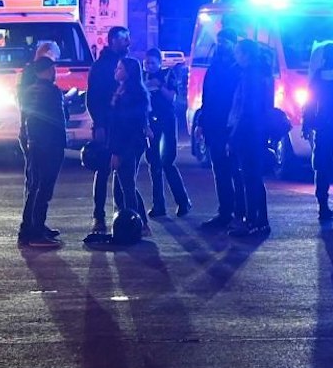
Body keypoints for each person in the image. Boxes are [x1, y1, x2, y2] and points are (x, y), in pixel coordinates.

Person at [89, 55, 150, 245]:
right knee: (123, 185)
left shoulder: (132, 95)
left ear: (128, 73)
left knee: (127, 186)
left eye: (120, 69)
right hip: (122, 144)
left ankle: (135, 225)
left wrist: (116, 152)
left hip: (126, 146)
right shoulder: (122, 91)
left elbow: (126, 127)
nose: (116, 71)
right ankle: (132, 223)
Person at [15, 56, 66, 248]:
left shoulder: (28, 91)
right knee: (42, 188)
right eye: (53, 69)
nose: (55, 73)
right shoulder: (49, 92)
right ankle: (35, 233)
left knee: (34, 186)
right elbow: (49, 120)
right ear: (45, 71)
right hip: (47, 145)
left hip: (37, 144)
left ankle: (31, 227)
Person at [86, 25, 131, 235]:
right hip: (107, 125)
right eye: (124, 39)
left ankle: (123, 216)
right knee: (103, 171)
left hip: (122, 128)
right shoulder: (100, 66)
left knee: (123, 171)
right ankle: (98, 217)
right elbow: (93, 98)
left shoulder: (127, 65)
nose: (128, 43)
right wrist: (100, 125)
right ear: (113, 40)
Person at [229, 38, 275, 238]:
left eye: (238, 53)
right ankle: (260, 221)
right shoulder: (261, 72)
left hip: (248, 132)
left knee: (249, 177)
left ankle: (253, 221)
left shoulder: (250, 75)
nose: (235, 57)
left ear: (246, 54)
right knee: (254, 177)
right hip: (257, 131)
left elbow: (246, 108)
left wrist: (234, 135)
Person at [195, 29, 242, 229]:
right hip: (214, 126)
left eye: (226, 42)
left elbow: (239, 100)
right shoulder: (214, 67)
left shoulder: (238, 69)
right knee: (220, 170)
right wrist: (201, 123)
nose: (221, 45)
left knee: (236, 171)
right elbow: (207, 98)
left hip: (231, 127)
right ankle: (225, 212)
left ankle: (241, 212)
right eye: (220, 41)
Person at [304, 41, 333, 221]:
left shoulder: (320, 74)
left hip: (324, 126)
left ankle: (323, 207)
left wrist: (307, 124)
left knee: (321, 167)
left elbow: (311, 100)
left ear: (324, 56)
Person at [142, 48, 191, 217]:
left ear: (160, 63)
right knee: (154, 164)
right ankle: (159, 206)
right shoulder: (141, 78)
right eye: (147, 62)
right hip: (151, 125)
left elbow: (171, 97)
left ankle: (183, 202)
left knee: (167, 162)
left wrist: (159, 85)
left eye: (153, 63)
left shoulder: (168, 75)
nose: (150, 66)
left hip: (167, 123)